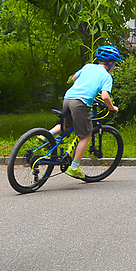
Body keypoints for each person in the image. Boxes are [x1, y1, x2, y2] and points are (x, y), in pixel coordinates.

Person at [45, 45, 121, 179]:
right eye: (115, 63)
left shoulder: (88, 67)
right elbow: (105, 97)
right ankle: (74, 167)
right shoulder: (107, 77)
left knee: (66, 127)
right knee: (85, 136)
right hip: (80, 103)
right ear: (110, 62)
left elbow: (74, 79)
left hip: (68, 98)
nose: (114, 66)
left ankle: (47, 135)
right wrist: (112, 107)